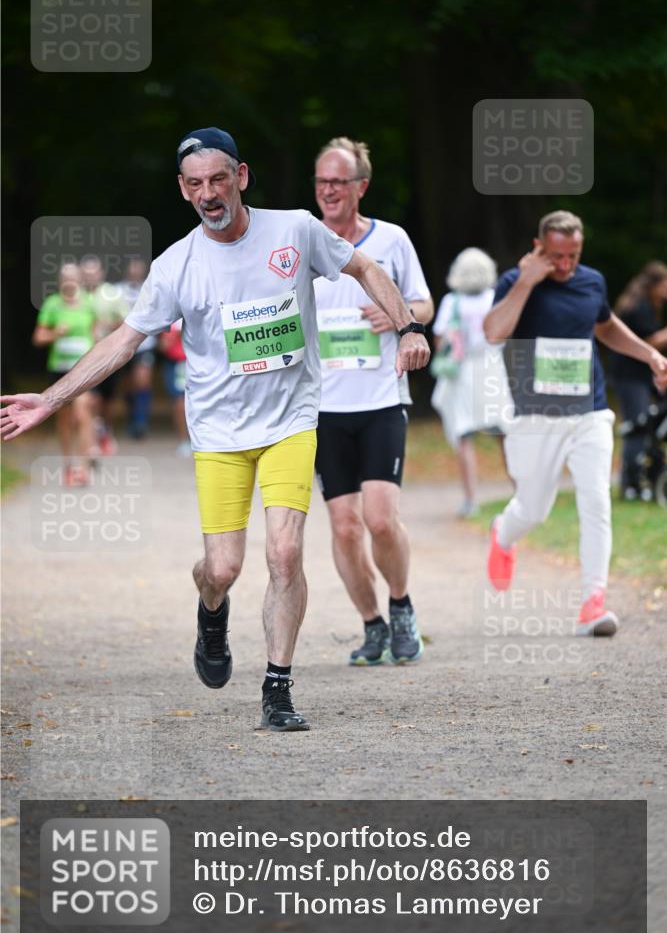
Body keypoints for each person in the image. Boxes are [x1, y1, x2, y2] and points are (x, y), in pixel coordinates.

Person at [1, 127, 430, 731]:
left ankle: (278, 687)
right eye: (196, 183)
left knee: (285, 553)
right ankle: (211, 611)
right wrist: (51, 399)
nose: (209, 193)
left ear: (241, 177)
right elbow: (124, 341)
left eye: (219, 179)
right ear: (183, 189)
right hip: (220, 434)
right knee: (222, 568)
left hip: (290, 421)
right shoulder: (176, 265)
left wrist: (408, 327)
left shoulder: (295, 230)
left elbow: (363, 266)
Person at [483, 211, 667, 636]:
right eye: (556, 256)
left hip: (589, 411)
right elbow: (493, 332)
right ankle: (504, 533)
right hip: (535, 417)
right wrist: (527, 281)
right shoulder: (515, 281)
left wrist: (650, 355)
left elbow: (606, 326)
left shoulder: (592, 282)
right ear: (538, 247)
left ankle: (592, 604)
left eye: (573, 255)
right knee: (533, 509)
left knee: (596, 500)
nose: (566, 265)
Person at [312, 137, 433, 667]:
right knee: (344, 527)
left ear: (361, 186)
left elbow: (426, 303)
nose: (328, 191)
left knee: (381, 520)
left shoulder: (392, 239)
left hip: (382, 398)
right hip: (323, 408)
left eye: (338, 182)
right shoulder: (303, 242)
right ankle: (372, 624)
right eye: (321, 181)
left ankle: (401, 606)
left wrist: (399, 314)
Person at [430, 247, 512, 518]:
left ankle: (470, 499)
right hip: (493, 369)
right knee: (504, 433)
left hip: (462, 372)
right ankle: (518, 492)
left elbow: (440, 339)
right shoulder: (495, 299)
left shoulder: (452, 302)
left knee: (463, 434)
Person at [32, 262, 97, 486]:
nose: (69, 282)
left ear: (80, 280)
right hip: (59, 369)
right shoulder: (52, 304)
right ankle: (69, 463)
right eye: (65, 278)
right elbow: (38, 338)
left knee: (82, 413)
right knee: (65, 419)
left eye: (73, 277)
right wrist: (55, 334)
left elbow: (96, 333)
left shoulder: (89, 303)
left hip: (84, 370)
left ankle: (83, 468)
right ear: (59, 281)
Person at [607, 261, 667, 499]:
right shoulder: (639, 307)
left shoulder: (641, 303)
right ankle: (630, 485)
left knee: (642, 425)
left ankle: (635, 479)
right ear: (655, 284)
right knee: (637, 426)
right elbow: (647, 342)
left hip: (636, 375)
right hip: (630, 376)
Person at [82, 255, 128, 454]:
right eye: (86, 273)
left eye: (94, 273)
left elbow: (127, 323)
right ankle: (93, 436)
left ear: (101, 273)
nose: (90, 277)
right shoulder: (76, 295)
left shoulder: (112, 293)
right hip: (83, 356)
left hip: (108, 354)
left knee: (108, 398)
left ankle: (106, 431)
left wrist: (108, 325)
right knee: (91, 397)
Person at [118, 258, 156, 440]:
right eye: (132, 268)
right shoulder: (117, 291)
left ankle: (141, 422)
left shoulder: (151, 289)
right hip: (122, 344)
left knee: (142, 381)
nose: (135, 272)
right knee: (127, 385)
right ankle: (131, 418)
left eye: (139, 269)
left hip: (145, 344)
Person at [159, 318, 190, 456]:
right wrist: (174, 336)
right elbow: (163, 346)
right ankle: (184, 440)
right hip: (177, 363)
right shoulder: (171, 319)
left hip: (195, 362)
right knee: (179, 403)